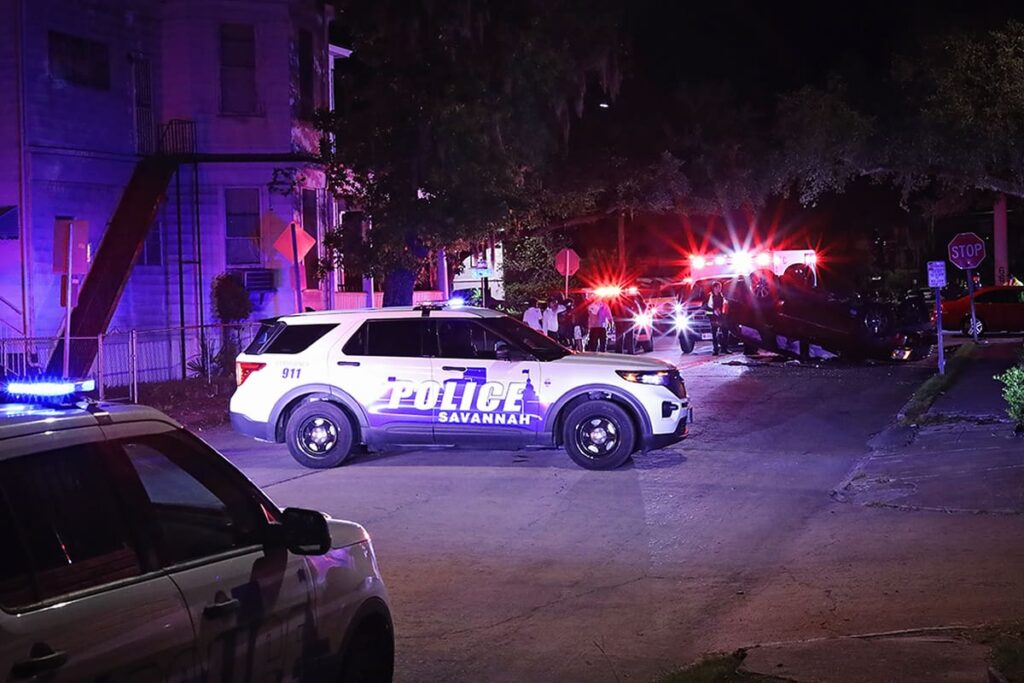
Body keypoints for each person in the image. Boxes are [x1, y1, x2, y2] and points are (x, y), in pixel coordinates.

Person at [706, 281, 730, 355]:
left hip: (722, 318)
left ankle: (724, 349)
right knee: (714, 334)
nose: (720, 289)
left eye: (721, 287)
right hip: (713, 318)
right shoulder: (709, 297)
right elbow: (705, 308)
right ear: (714, 288)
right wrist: (713, 312)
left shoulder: (722, 296)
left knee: (725, 333)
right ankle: (715, 350)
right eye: (719, 287)